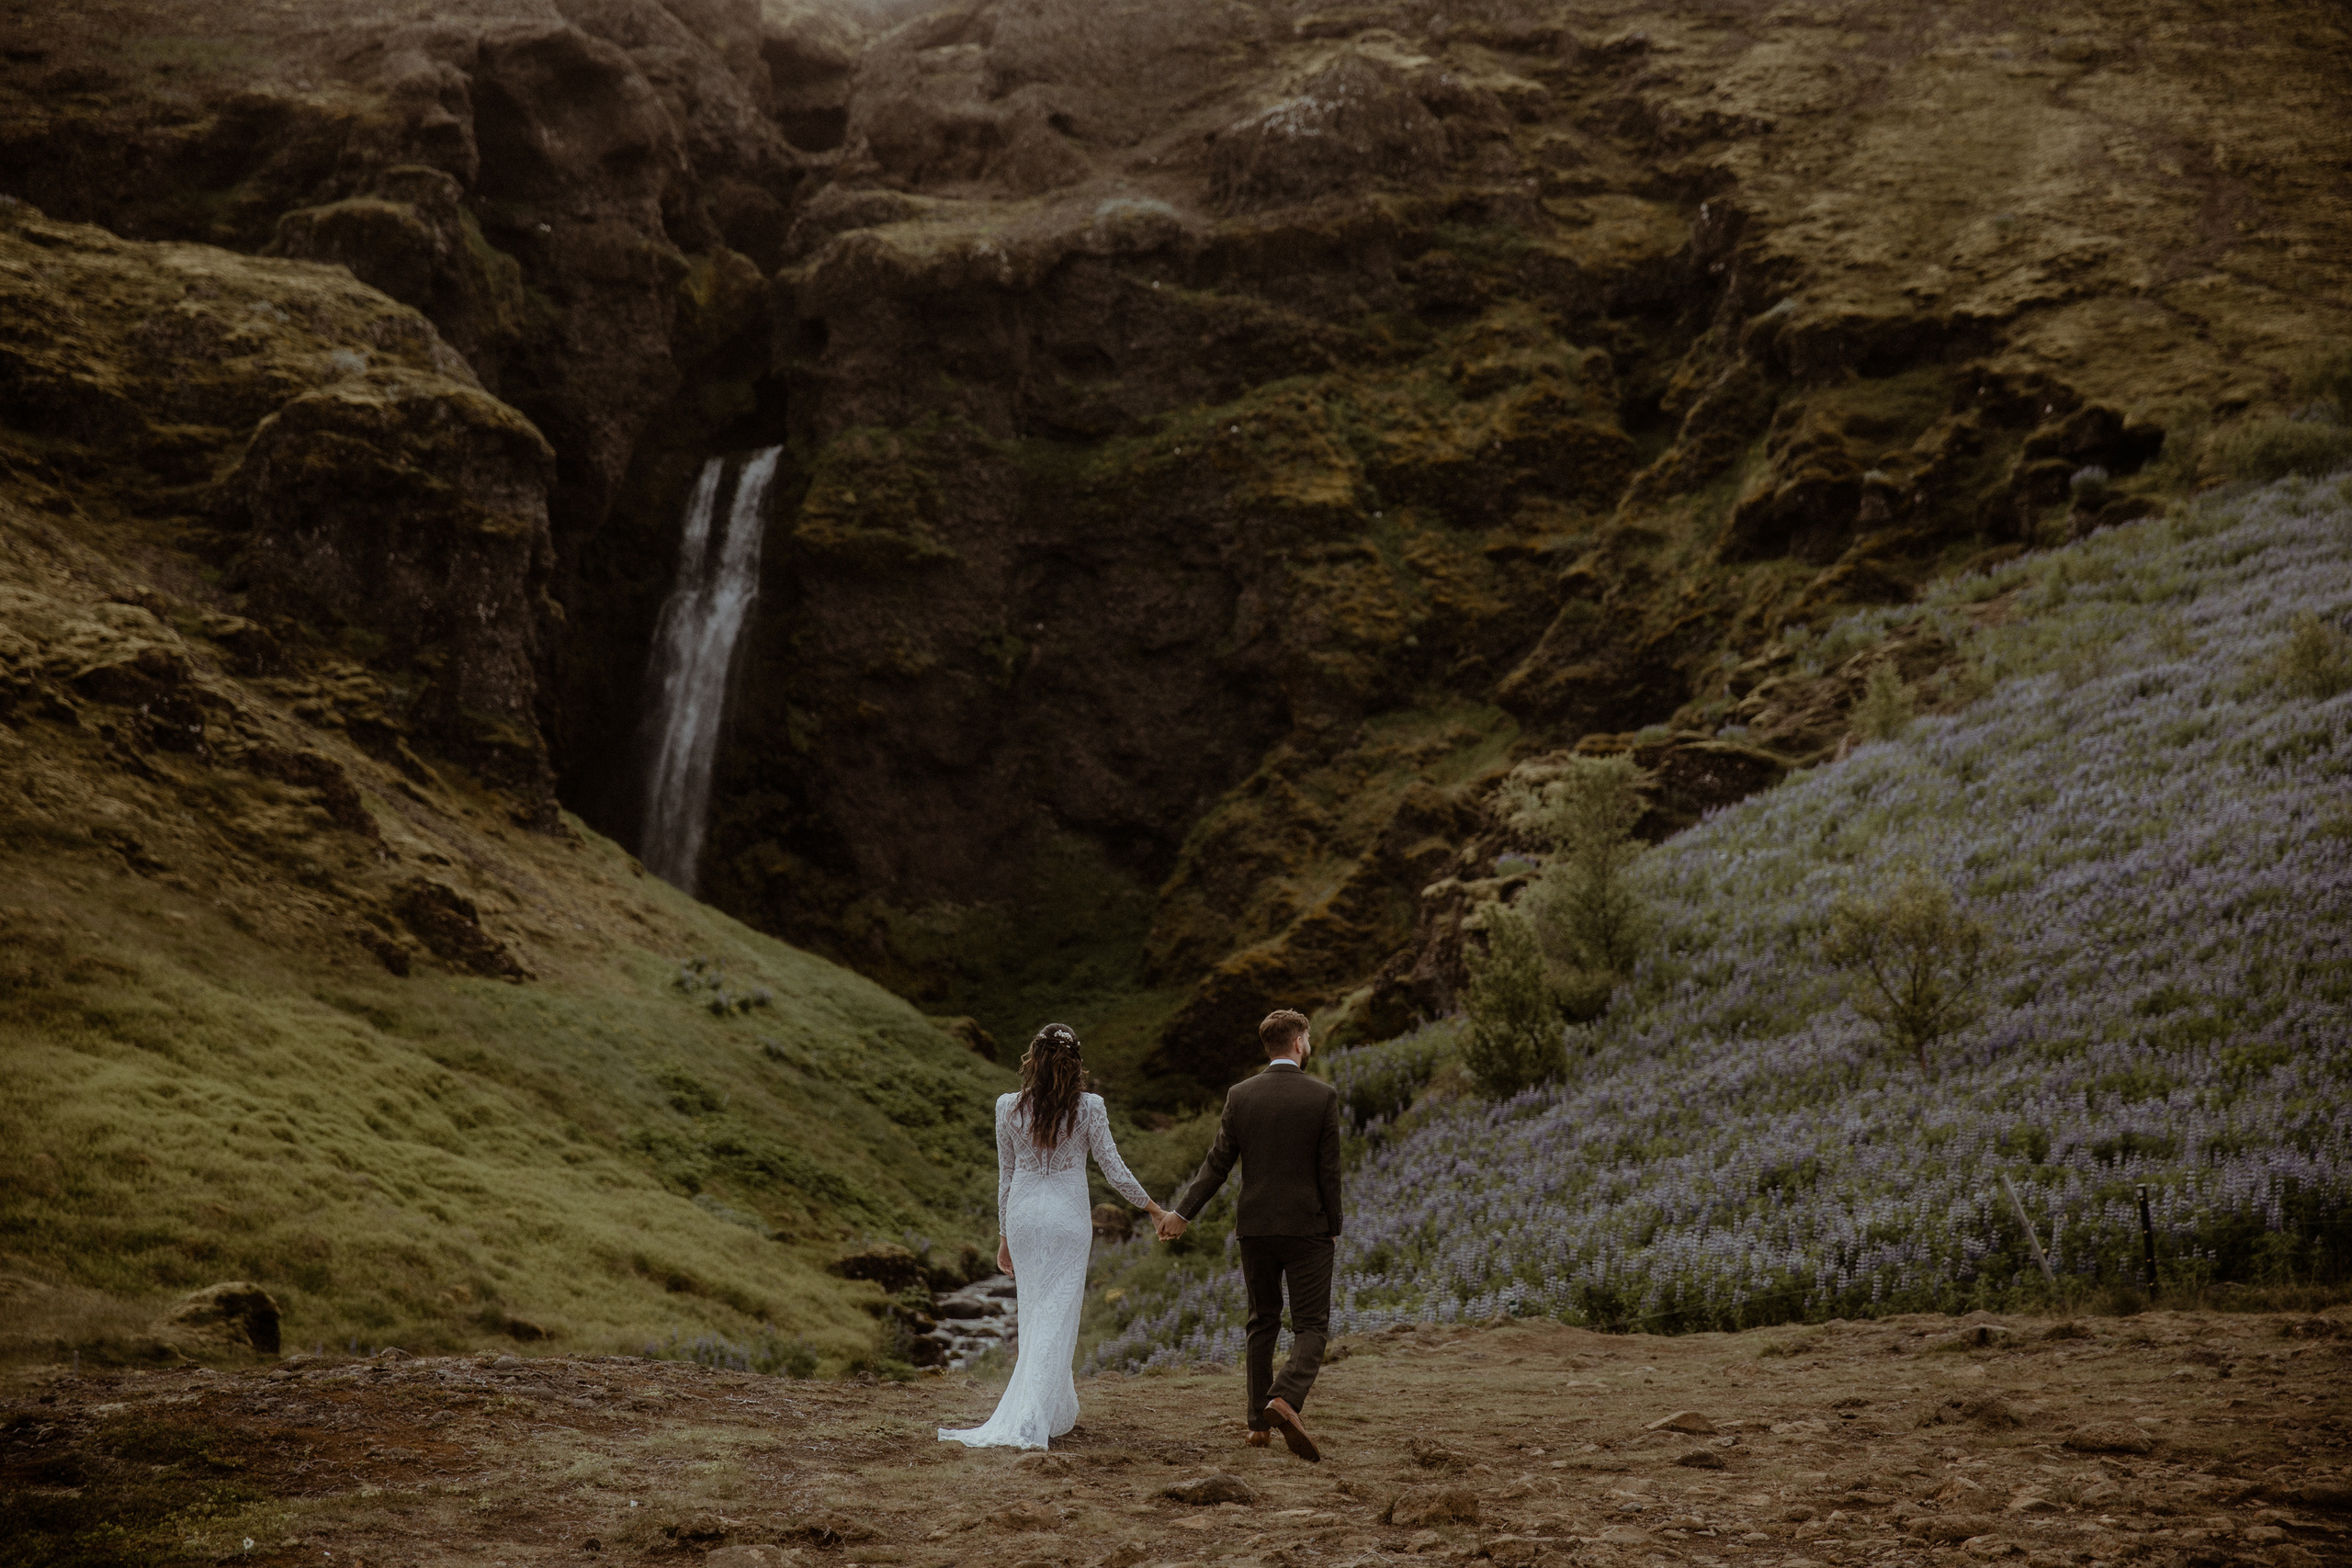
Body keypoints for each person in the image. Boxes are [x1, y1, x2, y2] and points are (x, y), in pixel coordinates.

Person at [938, 1022, 1172, 1450]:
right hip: (1067, 1219)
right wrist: (1153, 1208)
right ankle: (1032, 1416)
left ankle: (1049, 1408)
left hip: (1023, 1218)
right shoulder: (1090, 1108)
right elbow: (1113, 1169)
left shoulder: (1007, 1107)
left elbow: (1006, 1177)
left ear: (1033, 1059)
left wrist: (1004, 1235)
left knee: (1034, 1313)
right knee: (1057, 1313)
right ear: (1075, 1063)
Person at [1158, 1008, 1342, 1462]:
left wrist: (1182, 1213)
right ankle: (1285, 1398)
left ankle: (1259, 1425)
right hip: (1307, 1227)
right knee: (1312, 1325)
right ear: (1298, 1042)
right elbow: (1329, 1171)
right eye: (1308, 1039)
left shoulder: (1240, 1095)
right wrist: (1333, 1226)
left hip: (1255, 1228)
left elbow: (1217, 1164)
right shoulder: (1322, 1096)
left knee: (1262, 1321)